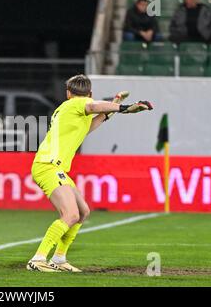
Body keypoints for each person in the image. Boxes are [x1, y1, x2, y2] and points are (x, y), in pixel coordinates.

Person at [27, 74, 153, 272]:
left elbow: (91, 123)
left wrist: (115, 107)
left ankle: (59, 259)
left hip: (55, 167)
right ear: (89, 94)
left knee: (83, 212)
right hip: (49, 165)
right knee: (70, 214)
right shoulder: (78, 104)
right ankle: (38, 258)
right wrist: (125, 108)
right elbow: (94, 107)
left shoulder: (70, 109)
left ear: (68, 93)